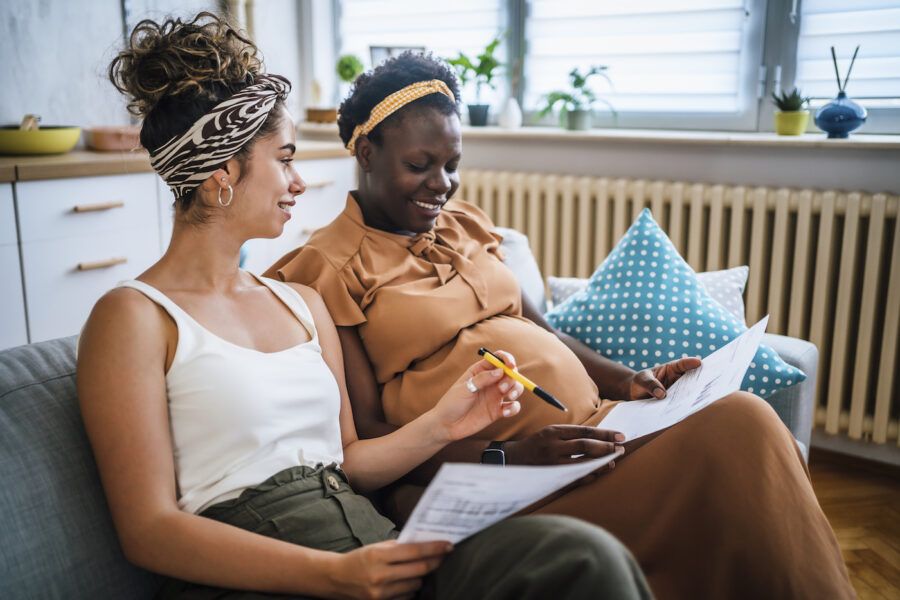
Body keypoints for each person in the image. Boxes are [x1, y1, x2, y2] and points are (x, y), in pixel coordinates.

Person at [76, 13, 654, 600]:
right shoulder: (133, 316)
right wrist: (335, 574)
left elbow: (351, 461)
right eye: (285, 159)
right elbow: (148, 531)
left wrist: (444, 425)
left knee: (584, 557)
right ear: (224, 172)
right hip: (274, 571)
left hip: (374, 547)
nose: (299, 182)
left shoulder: (298, 303)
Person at [266, 52, 855, 599]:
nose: (441, 184)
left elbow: (543, 329)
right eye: (419, 165)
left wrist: (630, 382)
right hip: (504, 482)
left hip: (596, 434)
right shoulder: (325, 269)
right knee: (742, 438)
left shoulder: (466, 225)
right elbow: (365, 437)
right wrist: (512, 455)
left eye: (452, 165)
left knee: (743, 418)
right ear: (365, 152)